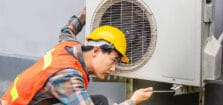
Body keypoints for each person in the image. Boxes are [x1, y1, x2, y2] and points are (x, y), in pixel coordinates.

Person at [1, 8, 153, 105]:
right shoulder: (68, 76)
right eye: (113, 60)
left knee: (100, 101)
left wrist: (92, 9)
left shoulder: (67, 45)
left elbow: (69, 28)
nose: (113, 69)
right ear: (96, 51)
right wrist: (132, 101)